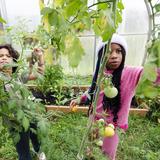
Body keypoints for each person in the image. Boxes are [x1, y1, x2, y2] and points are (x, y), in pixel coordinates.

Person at [70, 33, 144, 160]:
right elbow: (92, 91)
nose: (114, 56)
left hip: (112, 126)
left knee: (107, 155)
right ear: (101, 56)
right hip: (95, 121)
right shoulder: (100, 74)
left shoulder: (130, 74)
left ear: (123, 54)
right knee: (91, 149)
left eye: (118, 51)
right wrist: (79, 99)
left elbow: (149, 74)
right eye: (109, 51)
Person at [0, 44, 46, 160]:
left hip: (30, 112)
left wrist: (39, 57)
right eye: (0, 56)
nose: (4, 58)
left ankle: (38, 151)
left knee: (36, 135)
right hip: (15, 121)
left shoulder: (17, 77)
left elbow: (39, 74)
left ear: (13, 59)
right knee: (24, 152)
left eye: (7, 55)